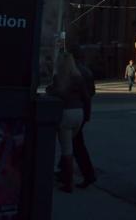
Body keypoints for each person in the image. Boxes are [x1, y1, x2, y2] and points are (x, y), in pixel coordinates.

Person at [46, 51, 90, 193]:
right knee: (73, 144)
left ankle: (68, 183)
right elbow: (86, 96)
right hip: (79, 114)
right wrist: (86, 115)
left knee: (67, 150)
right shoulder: (78, 77)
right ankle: (67, 174)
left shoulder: (59, 78)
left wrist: (50, 89)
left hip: (66, 114)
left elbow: (52, 92)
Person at [58, 50, 97, 189]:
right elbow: (91, 93)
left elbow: (59, 92)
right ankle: (65, 171)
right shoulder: (86, 71)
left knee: (75, 146)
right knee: (76, 144)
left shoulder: (68, 72)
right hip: (81, 111)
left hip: (70, 110)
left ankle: (83, 175)